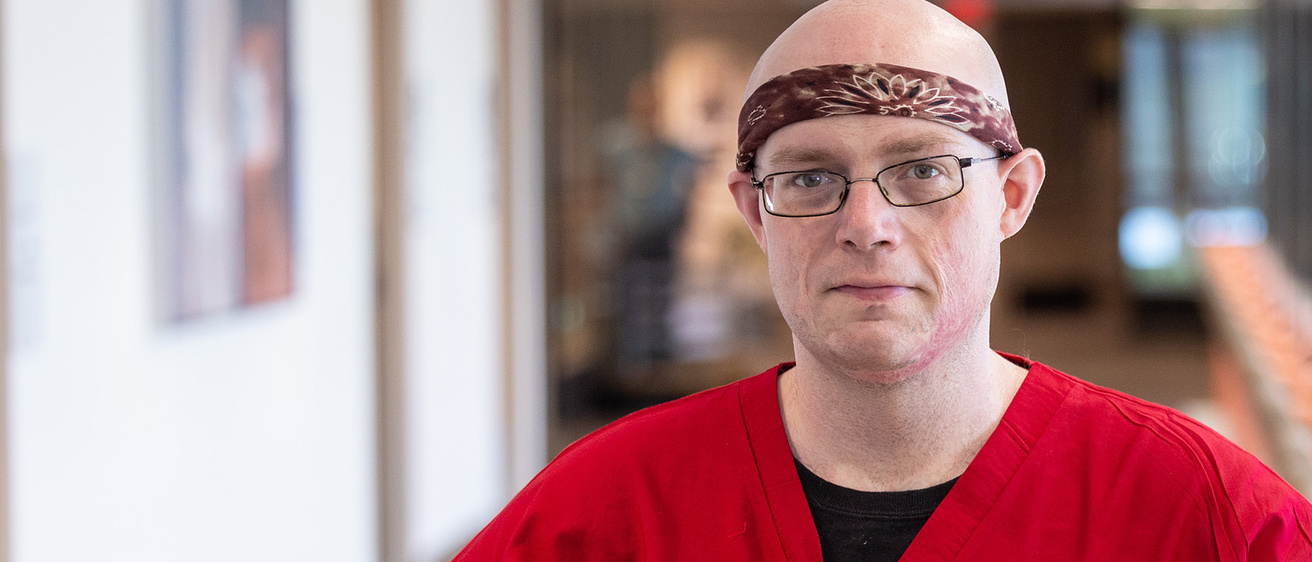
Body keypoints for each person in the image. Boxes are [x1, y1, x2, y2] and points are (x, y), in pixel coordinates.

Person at [455, 0, 1312, 559]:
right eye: (808, 179)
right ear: (754, 213)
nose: (866, 225)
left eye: (923, 171)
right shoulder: (600, 517)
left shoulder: (1209, 519)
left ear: (1011, 196)